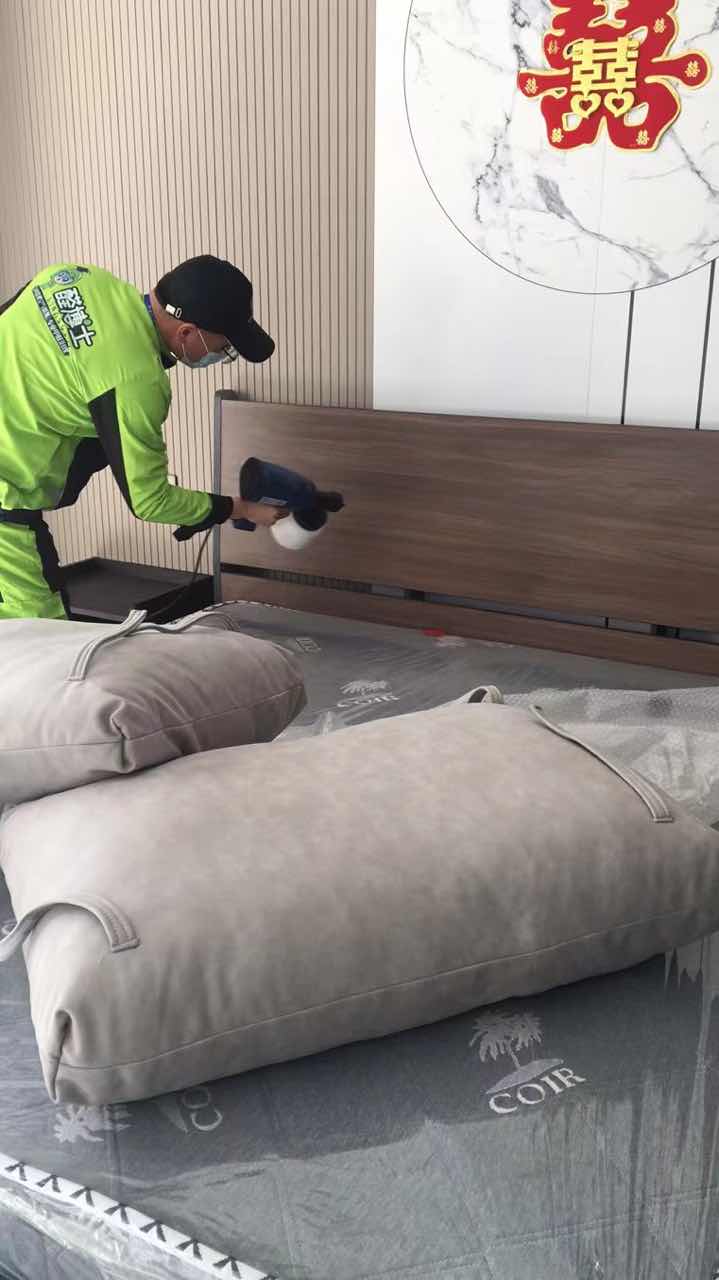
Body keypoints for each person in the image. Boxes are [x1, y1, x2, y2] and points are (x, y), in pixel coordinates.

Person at [0, 254, 281, 620]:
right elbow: (149, 500)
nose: (220, 355)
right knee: (46, 637)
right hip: (6, 493)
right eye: (222, 347)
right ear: (186, 333)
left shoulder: (76, 277)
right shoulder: (138, 382)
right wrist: (240, 508)